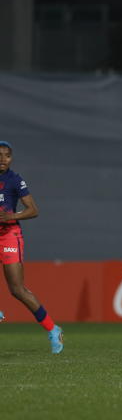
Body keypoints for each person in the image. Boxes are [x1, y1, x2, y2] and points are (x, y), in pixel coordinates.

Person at [0, 141, 63, 354]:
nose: (2, 159)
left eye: (7, 155)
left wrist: (11, 216)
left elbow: (33, 210)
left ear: (11, 158)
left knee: (17, 289)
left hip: (9, 236)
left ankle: (53, 329)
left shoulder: (14, 180)